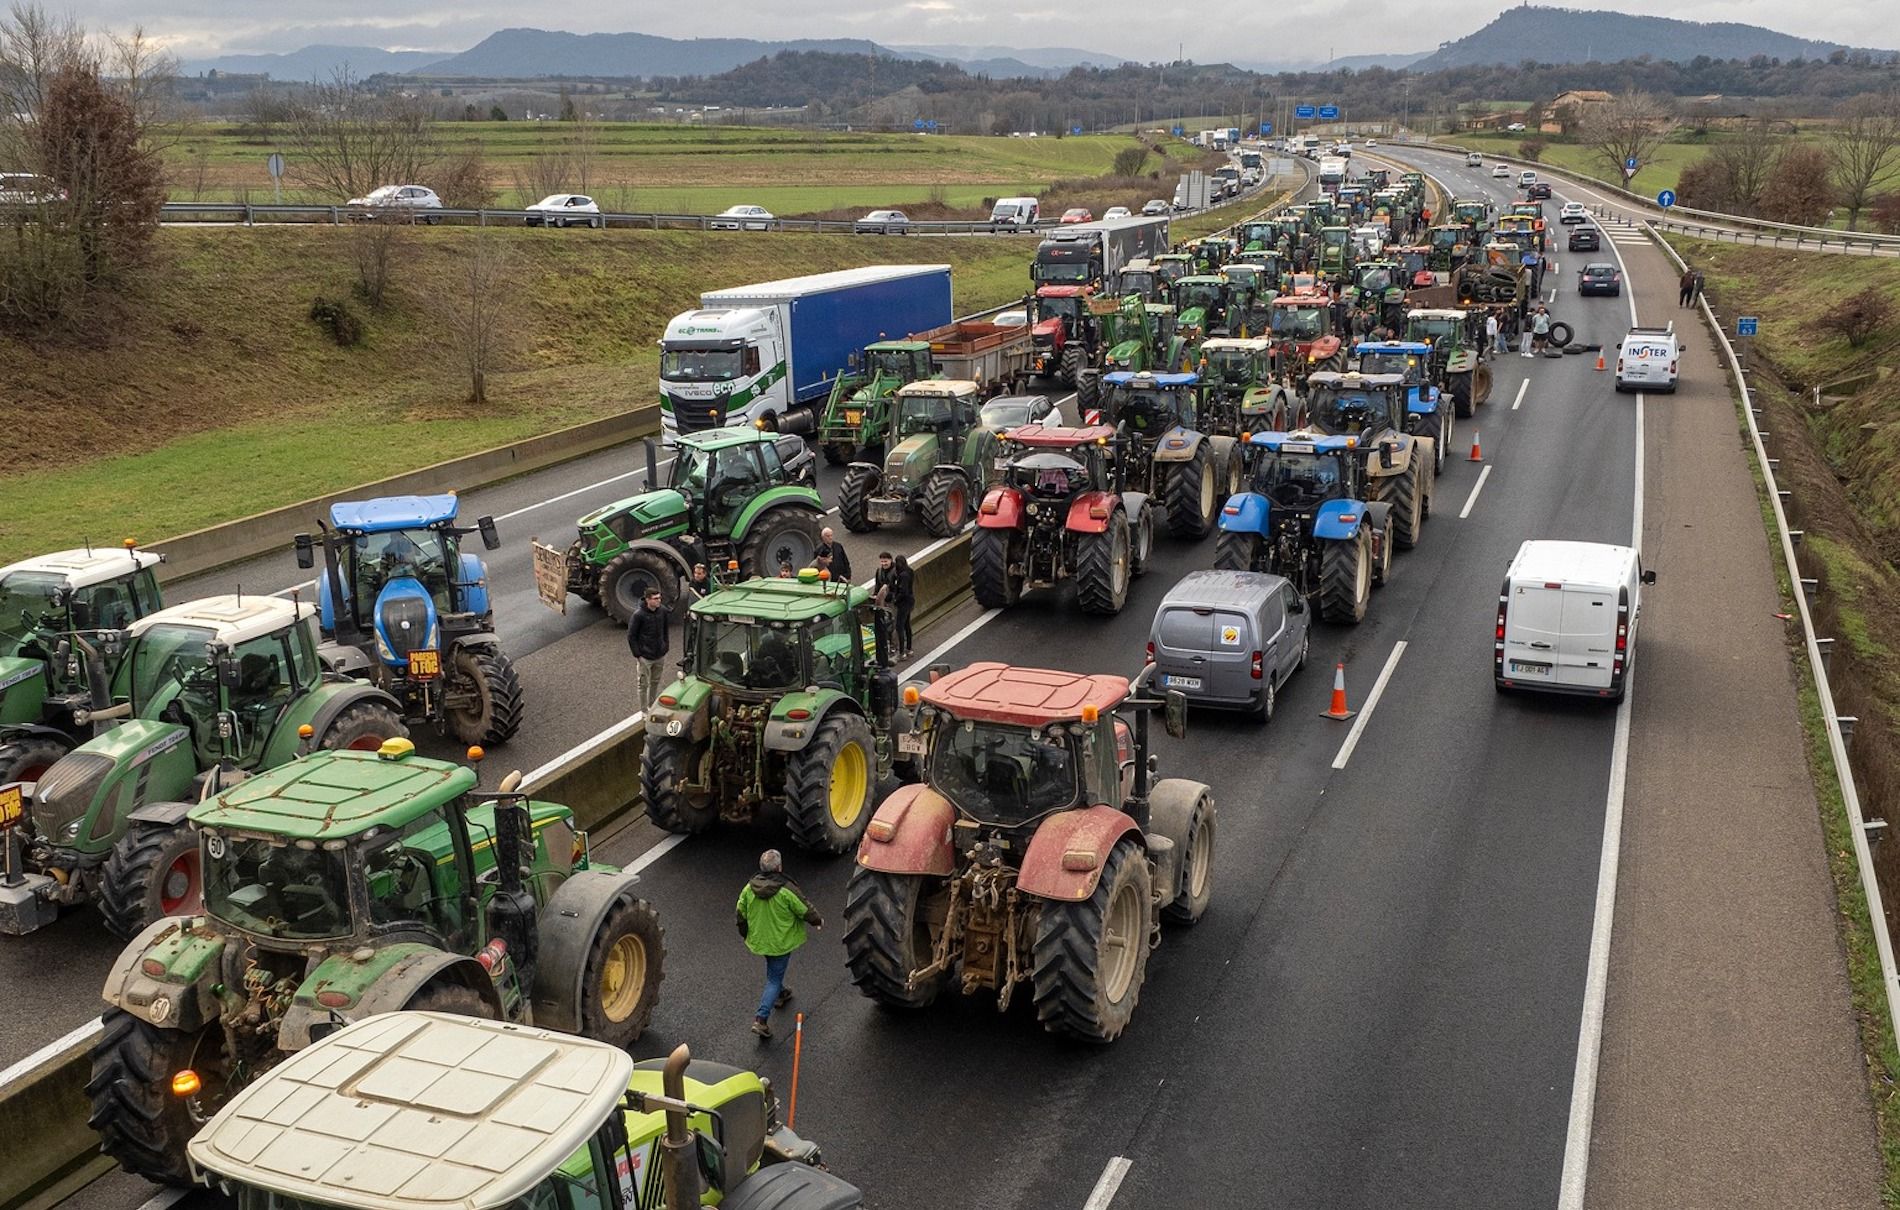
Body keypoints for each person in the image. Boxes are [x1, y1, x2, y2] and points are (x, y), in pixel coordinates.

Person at [735, 849, 822, 1039]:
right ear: (779, 867)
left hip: (760, 940)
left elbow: (740, 913)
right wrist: (817, 921)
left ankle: (782, 992)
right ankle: (761, 1019)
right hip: (780, 942)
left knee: (774, 971)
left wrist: (745, 934)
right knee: (773, 978)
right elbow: (803, 908)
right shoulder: (786, 890)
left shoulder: (749, 889)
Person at [627, 586, 669, 709]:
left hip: (659, 654)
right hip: (645, 656)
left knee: (655, 682)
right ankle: (644, 710)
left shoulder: (663, 611)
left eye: (659, 598)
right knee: (643, 685)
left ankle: (652, 705)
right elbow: (631, 636)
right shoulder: (638, 615)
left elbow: (665, 630)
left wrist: (665, 646)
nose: (659, 601)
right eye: (655, 599)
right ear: (647, 600)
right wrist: (638, 655)